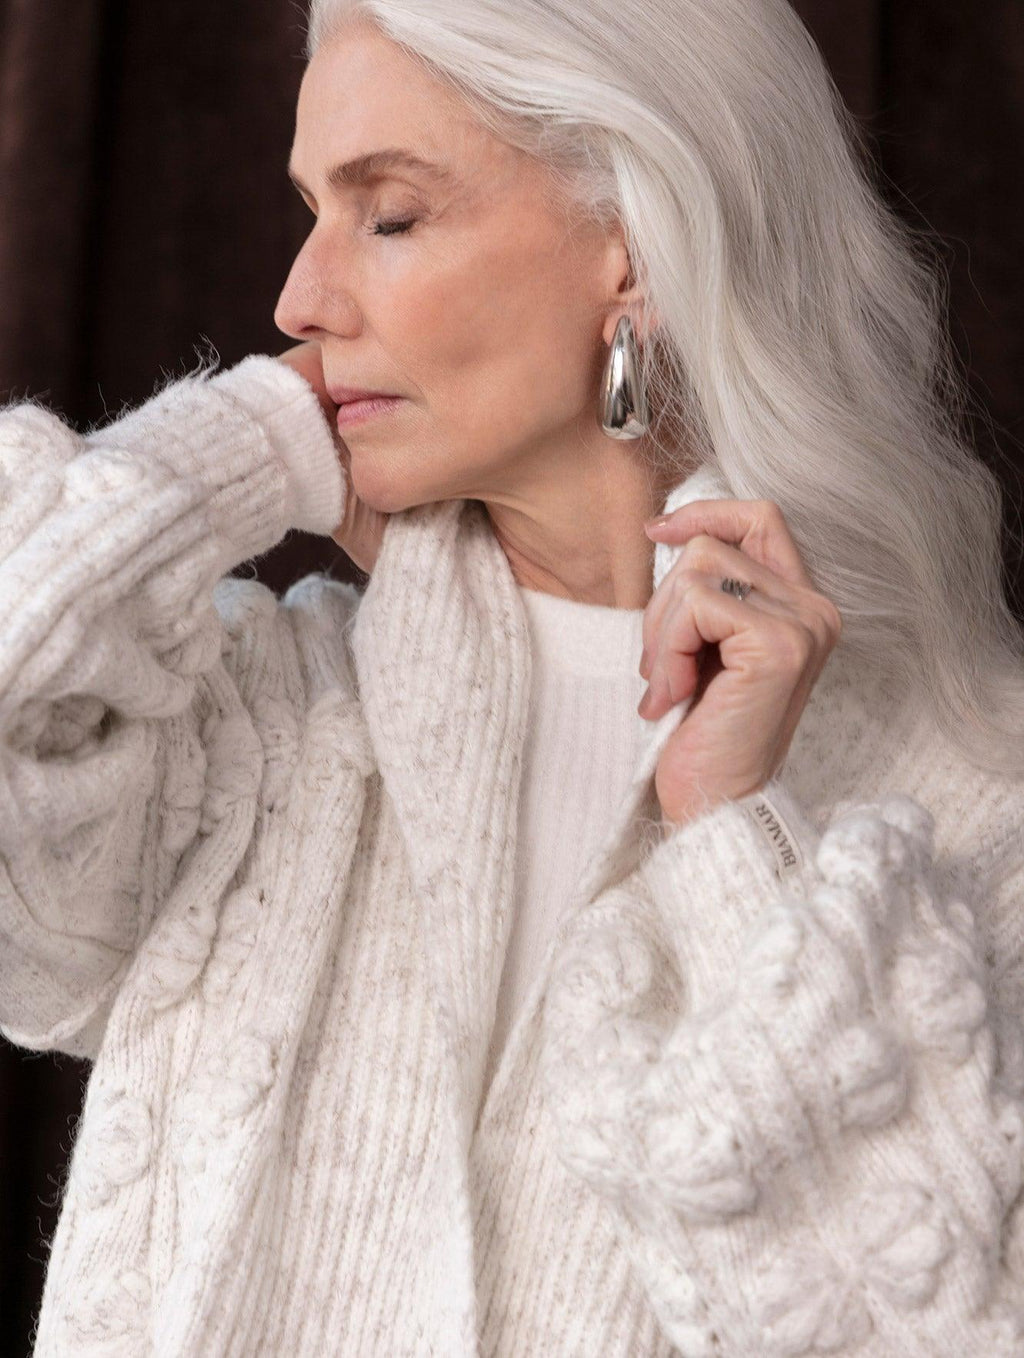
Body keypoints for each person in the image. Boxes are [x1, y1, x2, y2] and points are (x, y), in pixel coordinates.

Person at [2, 0, 1023, 1352]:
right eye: (312, 210)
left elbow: (935, 1316)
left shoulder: (973, 797)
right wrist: (246, 444)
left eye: (389, 215)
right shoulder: (255, 725)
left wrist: (733, 840)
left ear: (636, 246)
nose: (296, 301)